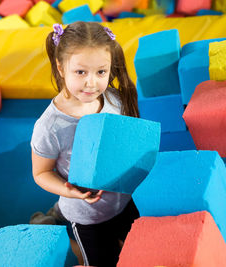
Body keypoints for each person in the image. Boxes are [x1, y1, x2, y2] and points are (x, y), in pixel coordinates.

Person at [30, 21, 140, 267]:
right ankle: (49, 224)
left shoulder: (114, 100)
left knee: (140, 251)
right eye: (81, 72)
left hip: (124, 200)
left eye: (101, 72)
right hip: (87, 215)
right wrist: (69, 191)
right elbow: (41, 172)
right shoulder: (50, 126)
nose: (91, 83)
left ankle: (55, 213)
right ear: (61, 68)